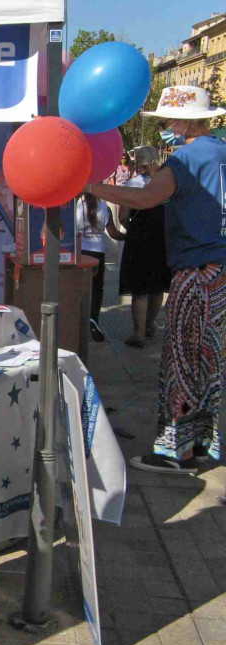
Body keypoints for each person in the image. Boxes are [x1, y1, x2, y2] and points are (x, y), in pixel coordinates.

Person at [85, 85, 226, 475]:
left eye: (167, 120)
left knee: (181, 359)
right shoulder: (221, 152)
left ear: (185, 120)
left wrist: (91, 186)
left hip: (196, 270)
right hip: (219, 270)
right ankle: (201, 444)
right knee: (208, 362)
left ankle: (173, 452)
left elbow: (147, 198)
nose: (165, 126)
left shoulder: (186, 159)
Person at [118, 146, 170, 347]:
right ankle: (149, 326)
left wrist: (131, 227)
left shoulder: (133, 184)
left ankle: (138, 334)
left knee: (140, 288)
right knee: (157, 286)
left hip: (139, 239)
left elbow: (123, 216)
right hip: (162, 238)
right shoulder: (166, 184)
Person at [75, 192, 123, 341]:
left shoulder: (77, 207)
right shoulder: (105, 208)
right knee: (97, 288)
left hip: (81, 251)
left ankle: (78, 319)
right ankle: (94, 318)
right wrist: (129, 236)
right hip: (98, 253)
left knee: (80, 287)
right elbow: (113, 233)